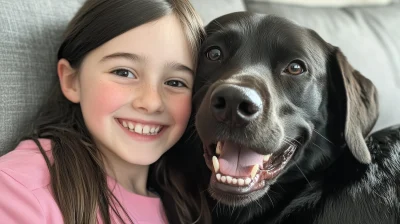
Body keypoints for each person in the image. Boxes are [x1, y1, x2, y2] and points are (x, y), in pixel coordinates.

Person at [0, 0, 210, 223]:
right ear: (72, 81)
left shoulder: (191, 200)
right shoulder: (19, 190)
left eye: (176, 83)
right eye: (124, 72)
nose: (151, 102)